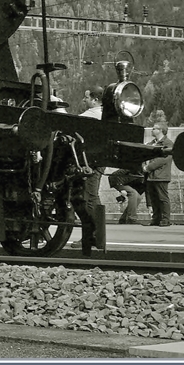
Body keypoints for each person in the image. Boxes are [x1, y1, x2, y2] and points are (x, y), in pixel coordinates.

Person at [73, 88, 105, 256]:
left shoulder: (89, 116)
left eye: (86, 97)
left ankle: (93, 235)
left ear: (94, 99)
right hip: (100, 161)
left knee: (87, 197)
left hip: (88, 162)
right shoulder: (106, 115)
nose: (84, 100)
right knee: (93, 195)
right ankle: (97, 234)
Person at [143, 120, 173, 226]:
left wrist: (148, 167)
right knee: (154, 199)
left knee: (163, 198)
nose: (152, 130)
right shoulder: (152, 143)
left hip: (161, 176)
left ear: (161, 130)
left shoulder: (168, 144)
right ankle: (156, 218)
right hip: (151, 176)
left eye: (154, 128)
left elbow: (163, 159)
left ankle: (166, 219)